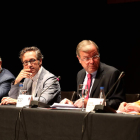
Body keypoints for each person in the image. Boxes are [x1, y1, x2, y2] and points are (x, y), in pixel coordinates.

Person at [60, 40, 125, 110]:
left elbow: (118, 103)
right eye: (87, 58)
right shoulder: (80, 74)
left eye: (95, 56)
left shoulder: (112, 73)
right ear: (79, 59)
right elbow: (82, 101)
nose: (92, 61)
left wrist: (90, 103)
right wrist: (72, 103)